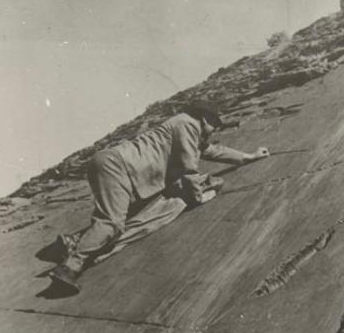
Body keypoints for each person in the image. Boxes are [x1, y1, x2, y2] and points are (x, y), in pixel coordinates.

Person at [49, 100, 269, 293]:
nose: (213, 131)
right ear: (204, 118)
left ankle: (72, 241)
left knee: (117, 216)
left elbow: (212, 151)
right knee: (113, 222)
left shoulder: (185, 127)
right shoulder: (187, 124)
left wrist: (248, 157)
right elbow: (189, 169)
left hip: (115, 165)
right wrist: (199, 196)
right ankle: (69, 268)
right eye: (214, 124)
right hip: (118, 168)